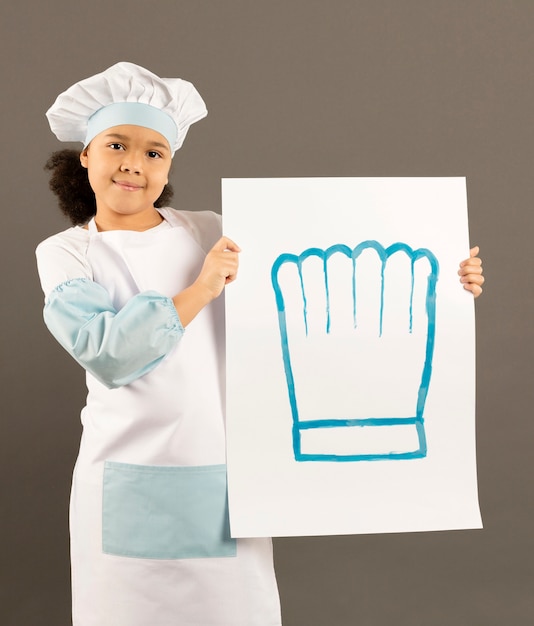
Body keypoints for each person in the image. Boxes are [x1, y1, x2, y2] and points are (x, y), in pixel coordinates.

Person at [36, 62, 484, 626]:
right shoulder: (66, 253)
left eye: (155, 152)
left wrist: (449, 275)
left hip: (229, 476)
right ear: (84, 155)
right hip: (125, 473)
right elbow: (108, 353)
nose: (133, 164)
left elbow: (328, 270)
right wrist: (202, 286)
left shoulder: (209, 229)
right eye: (117, 144)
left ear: (169, 163)